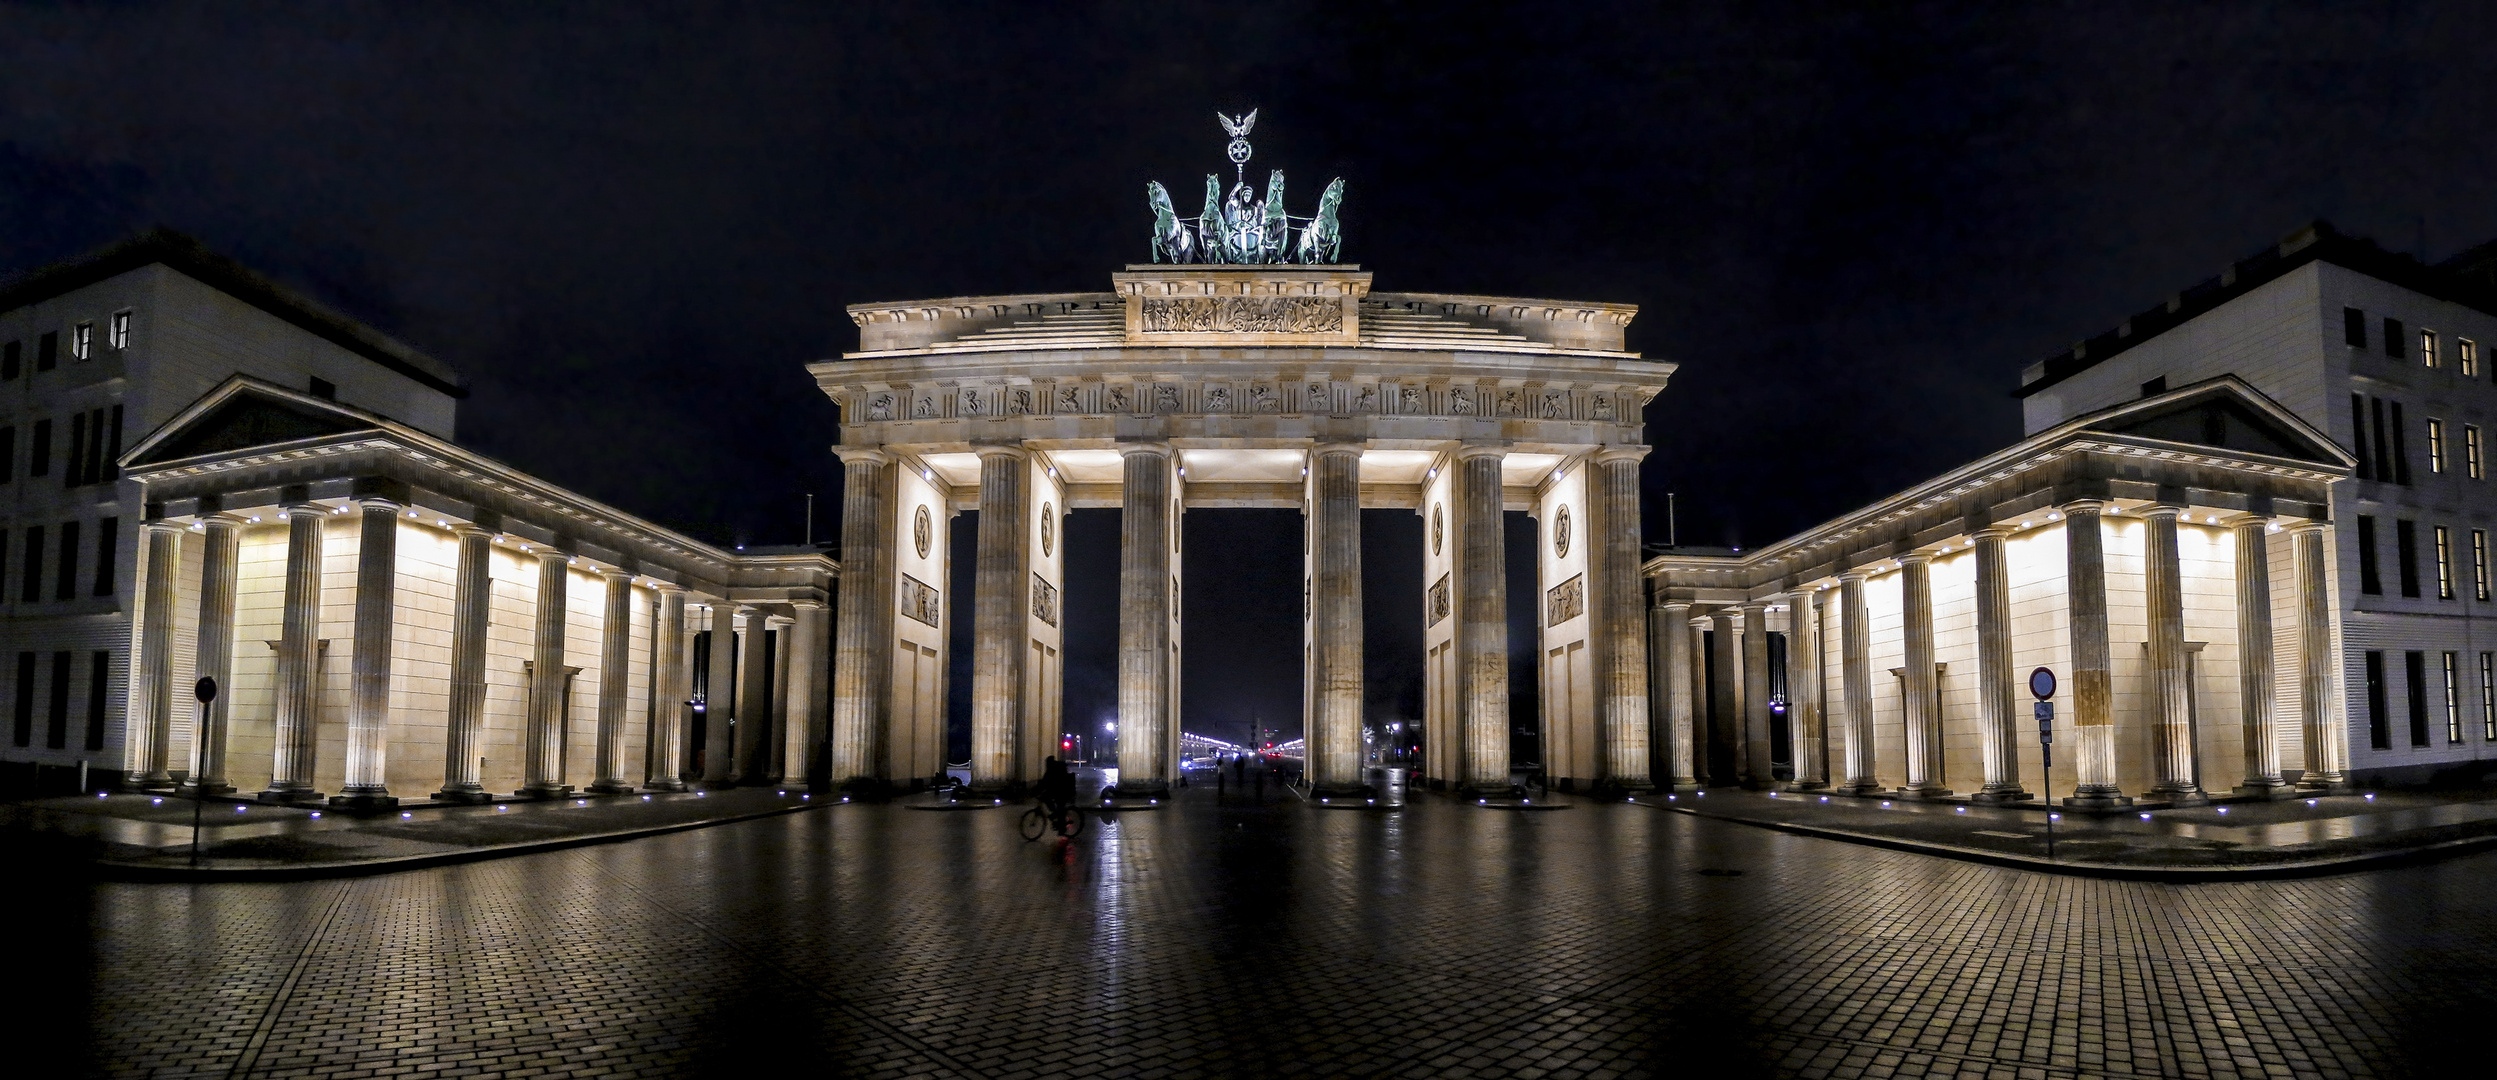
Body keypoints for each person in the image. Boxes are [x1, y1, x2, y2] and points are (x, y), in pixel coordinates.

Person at [1037, 756, 1076, 832]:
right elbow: (1044, 783)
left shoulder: (1051, 770)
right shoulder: (1054, 769)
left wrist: (1035, 791)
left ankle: (1062, 828)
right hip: (1059, 790)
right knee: (1047, 798)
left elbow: (1043, 783)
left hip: (1064, 791)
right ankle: (1055, 813)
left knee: (1060, 805)